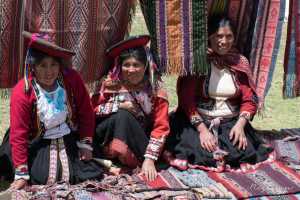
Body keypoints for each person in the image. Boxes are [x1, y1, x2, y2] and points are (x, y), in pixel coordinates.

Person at [165, 16, 273, 171]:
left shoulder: (239, 63)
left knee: (241, 152)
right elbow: (186, 100)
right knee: (201, 154)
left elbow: (249, 99)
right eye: (219, 36)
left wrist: (240, 125)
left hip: (231, 123)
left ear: (234, 38)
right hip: (198, 122)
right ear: (210, 37)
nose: (223, 41)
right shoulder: (199, 62)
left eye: (229, 36)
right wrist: (202, 130)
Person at [0, 31, 103, 190]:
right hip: (35, 140)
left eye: (53, 65)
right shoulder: (23, 91)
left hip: (68, 134)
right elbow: (19, 133)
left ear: (59, 65)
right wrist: (21, 172)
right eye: (42, 65)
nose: (49, 72)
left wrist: (85, 143)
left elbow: (86, 111)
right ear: (33, 66)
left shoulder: (71, 79)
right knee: (41, 176)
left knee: (85, 172)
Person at [92, 35, 170, 181]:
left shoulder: (155, 90)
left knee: (125, 117)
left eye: (136, 65)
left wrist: (150, 159)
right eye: (126, 64)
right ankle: (116, 152)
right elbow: (92, 111)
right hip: (108, 138)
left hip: (138, 140)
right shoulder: (110, 85)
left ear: (146, 66)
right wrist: (118, 106)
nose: (131, 70)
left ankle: (127, 157)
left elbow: (161, 126)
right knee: (122, 114)